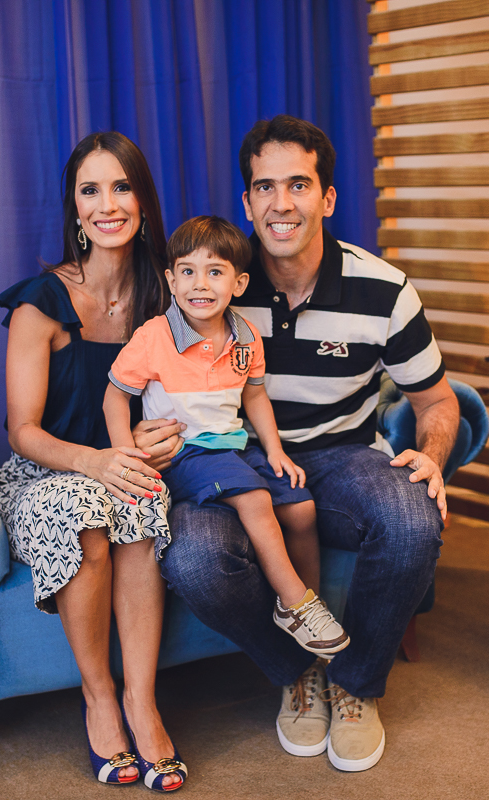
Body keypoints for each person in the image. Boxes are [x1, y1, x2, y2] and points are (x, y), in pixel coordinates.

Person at [136, 116, 460, 773]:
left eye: (299, 185)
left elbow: (437, 401)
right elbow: (154, 375)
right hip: (229, 460)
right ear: (248, 201)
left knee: (412, 521)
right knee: (194, 559)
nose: (282, 203)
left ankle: (355, 683)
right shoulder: (214, 284)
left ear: (328, 198)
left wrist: (432, 453)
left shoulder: (385, 290)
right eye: (264, 187)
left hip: (343, 456)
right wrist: (150, 428)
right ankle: (296, 671)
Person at [0, 131, 187, 791]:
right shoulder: (40, 303)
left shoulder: (168, 294)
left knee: (140, 499)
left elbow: (198, 390)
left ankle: (142, 699)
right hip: (44, 474)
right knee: (86, 509)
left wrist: (171, 437)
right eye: (90, 189)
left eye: (122, 187)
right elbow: (22, 431)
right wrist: (94, 462)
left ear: (143, 200)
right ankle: (100, 697)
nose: (108, 204)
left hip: (123, 465)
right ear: (74, 207)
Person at [102, 215, 348, 658]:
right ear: (171, 281)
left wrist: (276, 452)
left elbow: (255, 399)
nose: (201, 284)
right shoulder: (154, 336)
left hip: (233, 445)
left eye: (215, 272)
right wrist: (126, 456)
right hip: (184, 452)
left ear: (238, 283)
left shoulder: (245, 335)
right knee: (254, 500)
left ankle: (311, 613)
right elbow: (114, 399)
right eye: (188, 272)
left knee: (301, 506)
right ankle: (294, 604)